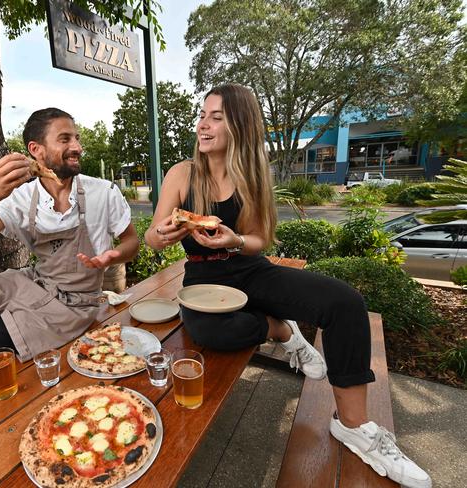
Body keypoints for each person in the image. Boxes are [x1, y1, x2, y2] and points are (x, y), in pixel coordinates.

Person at [144, 84, 431, 488]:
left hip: (250, 269)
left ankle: (354, 426)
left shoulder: (253, 176)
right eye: (202, 115)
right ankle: (281, 330)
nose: (203, 125)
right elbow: (152, 238)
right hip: (202, 277)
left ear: (239, 126)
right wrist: (165, 233)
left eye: (216, 117)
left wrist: (235, 240)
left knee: (345, 302)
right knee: (209, 331)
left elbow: (260, 239)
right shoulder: (182, 174)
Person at [0, 107, 139, 374]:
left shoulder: (102, 192)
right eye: (65, 139)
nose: (77, 146)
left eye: (77, 138)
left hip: (78, 303)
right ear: (36, 149)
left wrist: (114, 255)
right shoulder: (21, 197)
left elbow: (132, 243)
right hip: (38, 281)